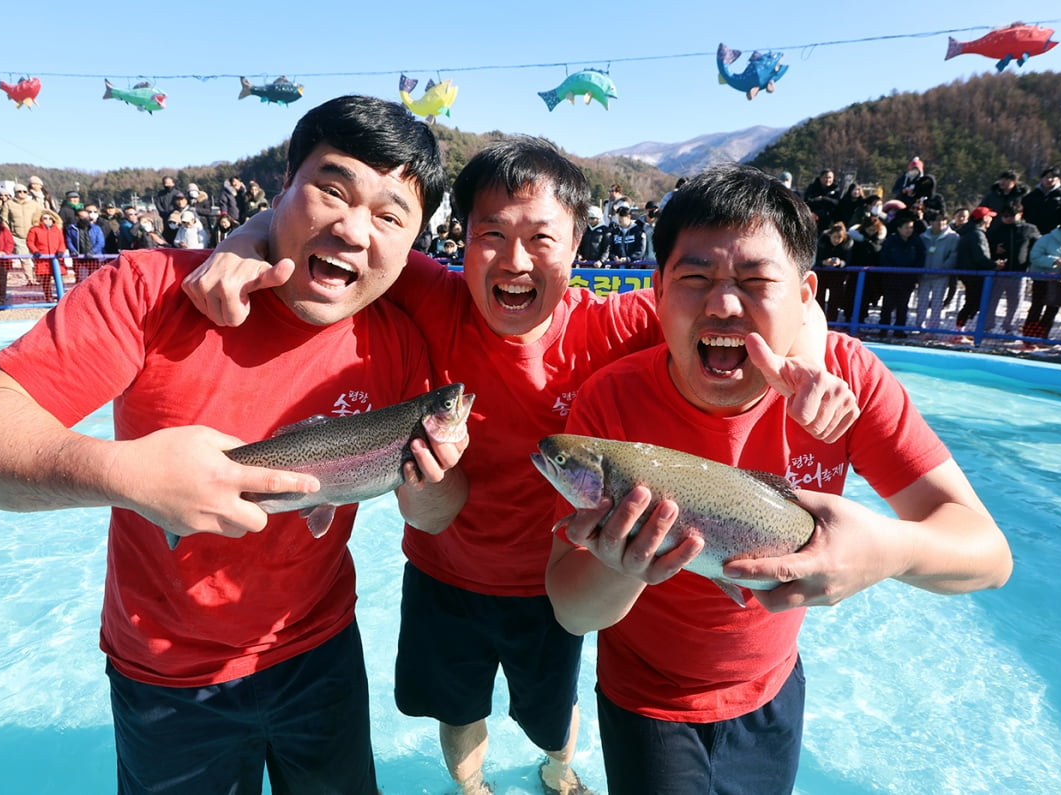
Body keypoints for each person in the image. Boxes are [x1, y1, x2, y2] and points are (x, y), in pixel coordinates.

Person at [181, 136, 859, 795]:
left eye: (541, 237)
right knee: (457, 708)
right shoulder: (437, 298)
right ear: (462, 240)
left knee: (550, 713)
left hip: (551, 585)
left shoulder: (615, 323)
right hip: (443, 573)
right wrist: (242, 240)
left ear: (576, 247)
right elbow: (330, 235)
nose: (514, 259)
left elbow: (761, 302)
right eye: (492, 235)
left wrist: (818, 360)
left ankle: (558, 768)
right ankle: (469, 783)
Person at [0, 94, 462, 795]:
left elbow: (435, 514)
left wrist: (431, 478)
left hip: (322, 651)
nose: (354, 230)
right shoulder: (146, 291)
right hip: (165, 673)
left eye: (390, 216)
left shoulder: (397, 342)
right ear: (281, 189)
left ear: (412, 240)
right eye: (331, 189)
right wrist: (121, 471)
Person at [544, 163, 1012, 795]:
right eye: (695, 277)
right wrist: (619, 564)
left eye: (756, 280)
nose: (724, 304)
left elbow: (988, 555)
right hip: (646, 697)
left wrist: (884, 551)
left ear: (805, 294)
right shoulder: (611, 403)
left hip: (773, 688)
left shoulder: (850, 383)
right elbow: (573, 612)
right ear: (657, 290)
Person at [1021, 214, 1061, 340]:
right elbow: (1034, 257)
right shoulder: (1046, 239)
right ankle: (1029, 337)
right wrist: (1054, 261)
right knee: (1037, 307)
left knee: (1052, 309)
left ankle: (1043, 336)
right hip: (1042, 279)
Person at [984, 201, 1039, 333]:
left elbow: (1037, 247)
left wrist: (1030, 265)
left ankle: (1010, 328)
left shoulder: (1029, 229)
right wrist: (994, 250)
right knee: (991, 301)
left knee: (1015, 303)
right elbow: (985, 247)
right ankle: (986, 327)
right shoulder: (996, 229)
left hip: (1019, 273)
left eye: (1011, 215)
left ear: (1020, 214)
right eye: (1005, 215)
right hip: (998, 272)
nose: (1008, 218)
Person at [877, 210, 925, 337]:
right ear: (899, 228)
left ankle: (899, 329)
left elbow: (921, 257)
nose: (909, 230)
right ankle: (883, 328)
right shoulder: (890, 241)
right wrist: (890, 270)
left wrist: (914, 271)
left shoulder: (916, 241)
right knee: (888, 304)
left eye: (911, 227)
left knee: (903, 305)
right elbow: (884, 257)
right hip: (891, 278)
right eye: (906, 227)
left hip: (908, 279)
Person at [954, 206, 1000, 333]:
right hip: (975, 274)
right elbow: (980, 257)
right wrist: (994, 265)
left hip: (969, 273)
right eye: (990, 217)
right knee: (973, 303)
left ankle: (962, 328)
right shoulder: (977, 234)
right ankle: (959, 330)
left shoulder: (969, 232)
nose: (991, 219)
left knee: (972, 302)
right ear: (984, 218)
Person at [916, 209, 959, 332]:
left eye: (943, 220)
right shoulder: (923, 236)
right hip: (924, 275)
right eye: (937, 220)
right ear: (931, 222)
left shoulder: (953, 237)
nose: (940, 223)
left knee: (937, 302)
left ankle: (934, 327)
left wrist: (944, 269)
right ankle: (919, 326)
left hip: (941, 275)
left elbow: (953, 255)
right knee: (922, 301)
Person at [813, 221, 853, 322]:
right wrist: (823, 263)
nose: (836, 240)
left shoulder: (847, 245)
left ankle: (831, 321)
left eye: (839, 238)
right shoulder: (821, 242)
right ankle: (818, 320)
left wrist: (840, 263)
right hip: (821, 275)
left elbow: (848, 260)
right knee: (819, 299)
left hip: (837, 276)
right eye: (834, 237)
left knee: (834, 300)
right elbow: (814, 259)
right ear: (830, 235)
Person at [1, 186, 41, 285]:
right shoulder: (9, 204)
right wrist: (8, 233)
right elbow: (4, 219)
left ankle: (40, 277)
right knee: (24, 258)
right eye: (19, 191)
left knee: (37, 257)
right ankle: (30, 279)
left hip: (33, 235)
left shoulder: (34, 204)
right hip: (17, 236)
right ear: (15, 192)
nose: (22, 193)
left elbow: (40, 217)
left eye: (24, 191)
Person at [26, 211, 68, 302]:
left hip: (56, 258)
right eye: (45, 218)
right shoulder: (34, 230)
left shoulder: (57, 230)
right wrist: (35, 251)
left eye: (50, 218)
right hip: (43, 259)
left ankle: (61, 295)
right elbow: (30, 242)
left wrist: (61, 251)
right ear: (41, 219)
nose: (48, 220)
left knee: (58, 278)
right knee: (45, 279)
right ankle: (48, 297)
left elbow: (62, 243)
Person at [1021, 166, 1061, 235]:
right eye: (1046, 177)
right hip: (1033, 232)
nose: (1049, 180)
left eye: (1053, 177)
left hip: (1054, 233)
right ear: (1041, 179)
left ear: (1058, 179)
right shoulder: (1032, 195)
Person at [66, 206, 106, 284]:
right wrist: (73, 251)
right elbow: (69, 241)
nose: (85, 219)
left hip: (94, 258)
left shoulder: (96, 228)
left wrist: (93, 252)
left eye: (86, 217)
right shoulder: (72, 229)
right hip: (79, 258)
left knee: (95, 278)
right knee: (80, 280)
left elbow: (101, 242)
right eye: (82, 217)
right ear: (77, 218)